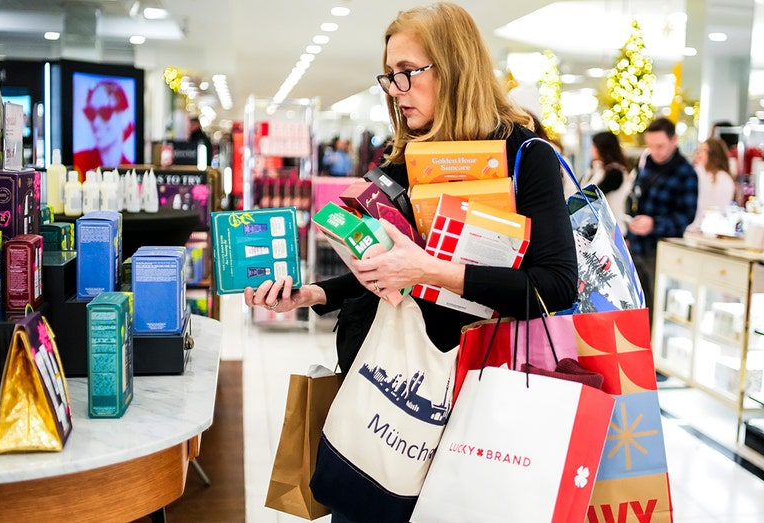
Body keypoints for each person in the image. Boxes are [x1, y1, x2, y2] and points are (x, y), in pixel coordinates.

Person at [245, 6, 577, 517]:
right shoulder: (405, 158)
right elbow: (388, 268)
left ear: (454, 65)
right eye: (389, 75)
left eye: (407, 72)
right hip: (381, 389)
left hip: (473, 407)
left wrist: (428, 270)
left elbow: (554, 286)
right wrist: (315, 293)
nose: (395, 88)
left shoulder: (524, 155)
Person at [627, 117, 698, 320]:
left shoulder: (685, 173)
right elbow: (635, 199)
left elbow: (686, 215)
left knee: (657, 309)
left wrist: (654, 224)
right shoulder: (646, 165)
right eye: (650, 146)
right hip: (636, 246)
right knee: (634, 306)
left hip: (663, 250)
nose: (655, 151)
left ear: (674, 140)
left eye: (660, 146)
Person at [73, 80, 134, 176]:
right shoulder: (79, 163)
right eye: (91, 113)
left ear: (124, 116)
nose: (95, 123)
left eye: (105, 112)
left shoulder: (132, 169)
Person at [580, 131, 635, 233]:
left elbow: (592, 195)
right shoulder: (598, 169)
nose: (591, 150)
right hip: (600, 228)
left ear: (603, 148)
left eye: (594, 146)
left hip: (611, 230)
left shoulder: (615, 173)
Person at [689, 137, 736, 231]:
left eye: (704, 150)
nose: (698, 153)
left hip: (709, 228)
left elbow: (716, 206)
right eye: (698, 150)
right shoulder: (696, 173)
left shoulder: (722, 178)